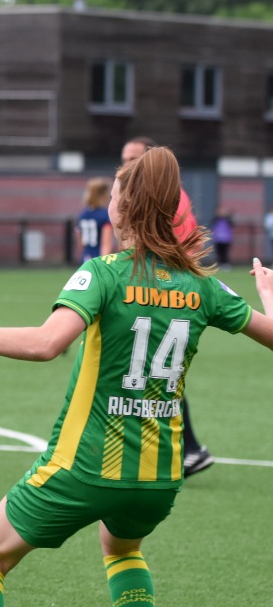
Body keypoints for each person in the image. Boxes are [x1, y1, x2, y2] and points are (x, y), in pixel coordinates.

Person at [0, 147, 273, 607]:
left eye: (113, 196)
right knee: (122, 547)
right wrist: (268, 299)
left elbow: (46, 344)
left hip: (86, 465)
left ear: (123, 208)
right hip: (159, 477)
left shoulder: (102, 274)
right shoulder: (202, 284)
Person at [121, 136, 214, 477]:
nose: (125, 165)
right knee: (154, 374)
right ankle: (182, 449)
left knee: (155, 373)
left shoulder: (166, 197)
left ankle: (187, 448)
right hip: (164, 290)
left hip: (167, 293)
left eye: (132, 157)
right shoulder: (159, 194)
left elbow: (177, 245)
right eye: (123, 158)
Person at [76, 177, 113, 263]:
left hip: (86, 258)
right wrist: (105, 263)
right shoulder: (104, 215)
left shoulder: (82, 215)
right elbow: (106, 244)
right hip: (99, 259)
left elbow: (80, 243)